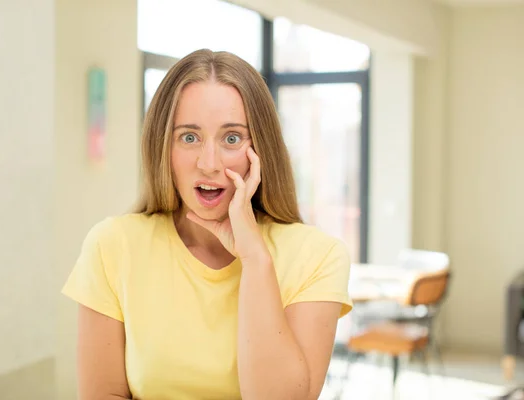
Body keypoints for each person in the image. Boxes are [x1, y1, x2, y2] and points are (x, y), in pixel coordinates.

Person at [62, 48, 353, 400]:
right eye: (189, 137)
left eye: (232, 138)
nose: (209, 163)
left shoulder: (318, 256)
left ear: (260, 150)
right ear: (162, 148)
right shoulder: (112, 245)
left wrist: (255, 260)